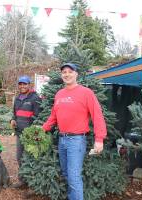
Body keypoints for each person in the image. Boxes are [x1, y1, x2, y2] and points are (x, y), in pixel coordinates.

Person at [42, 63, 107, 200]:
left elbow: (97, 115)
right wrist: (41, 130)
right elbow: (53, 117)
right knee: (67, 174)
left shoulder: (86, 93)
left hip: (76, 141)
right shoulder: (59, 94)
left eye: (70, 72)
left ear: (76, 74)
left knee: (73, 177)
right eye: (64, 72)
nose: (67, 74)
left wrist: (99, 139)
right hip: (62, 140)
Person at [10, 75, 41, 188]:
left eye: (25, 84)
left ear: (29, 85)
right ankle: (22, 180)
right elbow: (14, 112)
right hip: (19, 133)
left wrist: (33, 132)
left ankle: (32, 183)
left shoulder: (35, 98)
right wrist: (13, 119)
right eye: (20, 84)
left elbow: (38, 117)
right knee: (20, 157)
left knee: (30, 157)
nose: (22, 86)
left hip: (30, 134)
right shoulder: (18, 98)